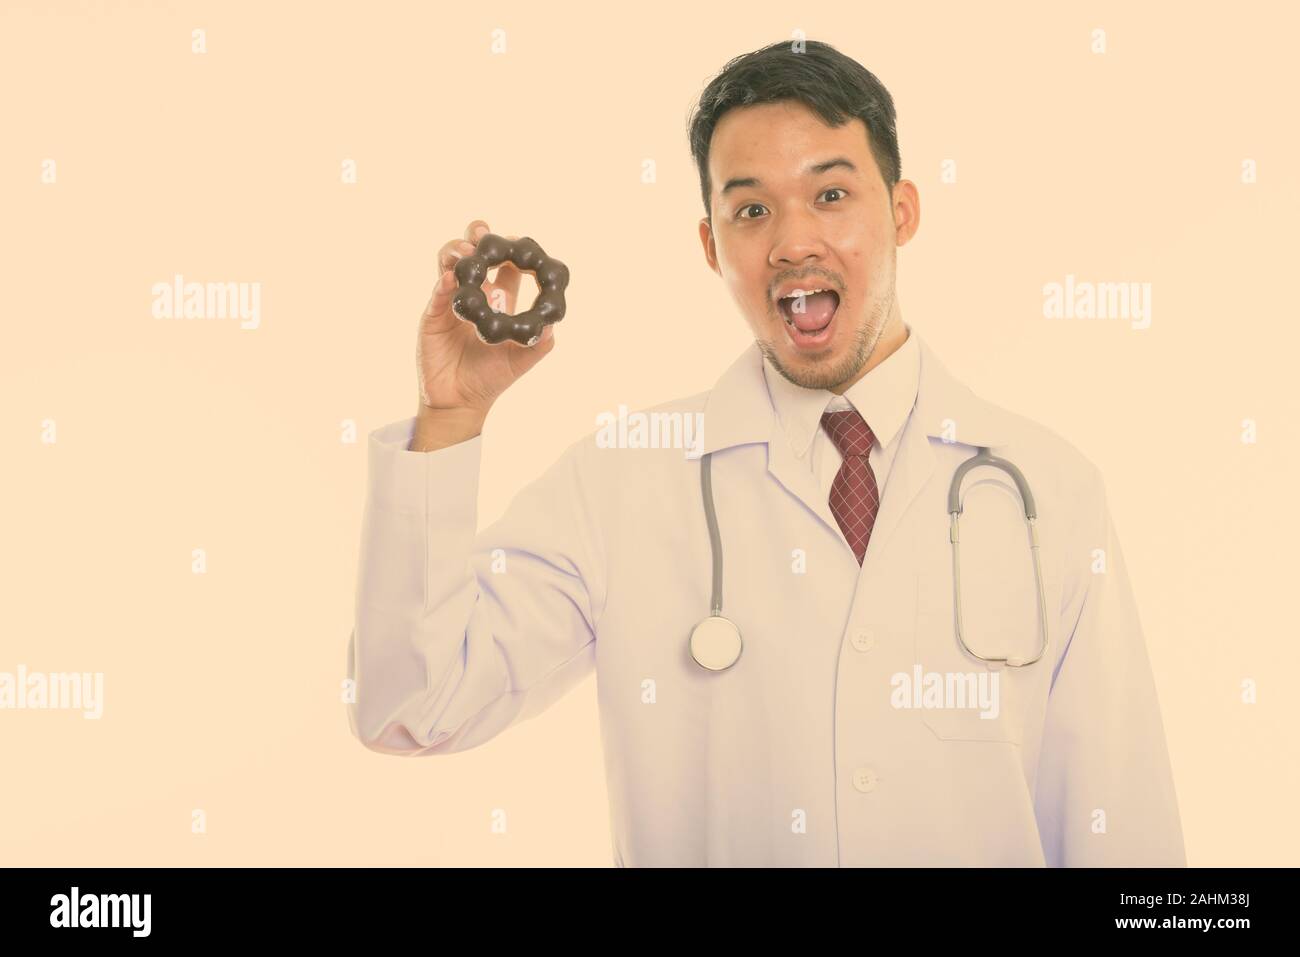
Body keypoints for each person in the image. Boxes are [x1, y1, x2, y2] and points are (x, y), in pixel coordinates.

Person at [346, 39, 1186, 867]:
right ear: (712, 246)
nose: (791, 242)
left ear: (902, 212)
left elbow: (1127, 830)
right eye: (751, 209)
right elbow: (412, 704)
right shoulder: (622, 483)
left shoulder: (1048, 487)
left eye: (830, 194)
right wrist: (450, 416)